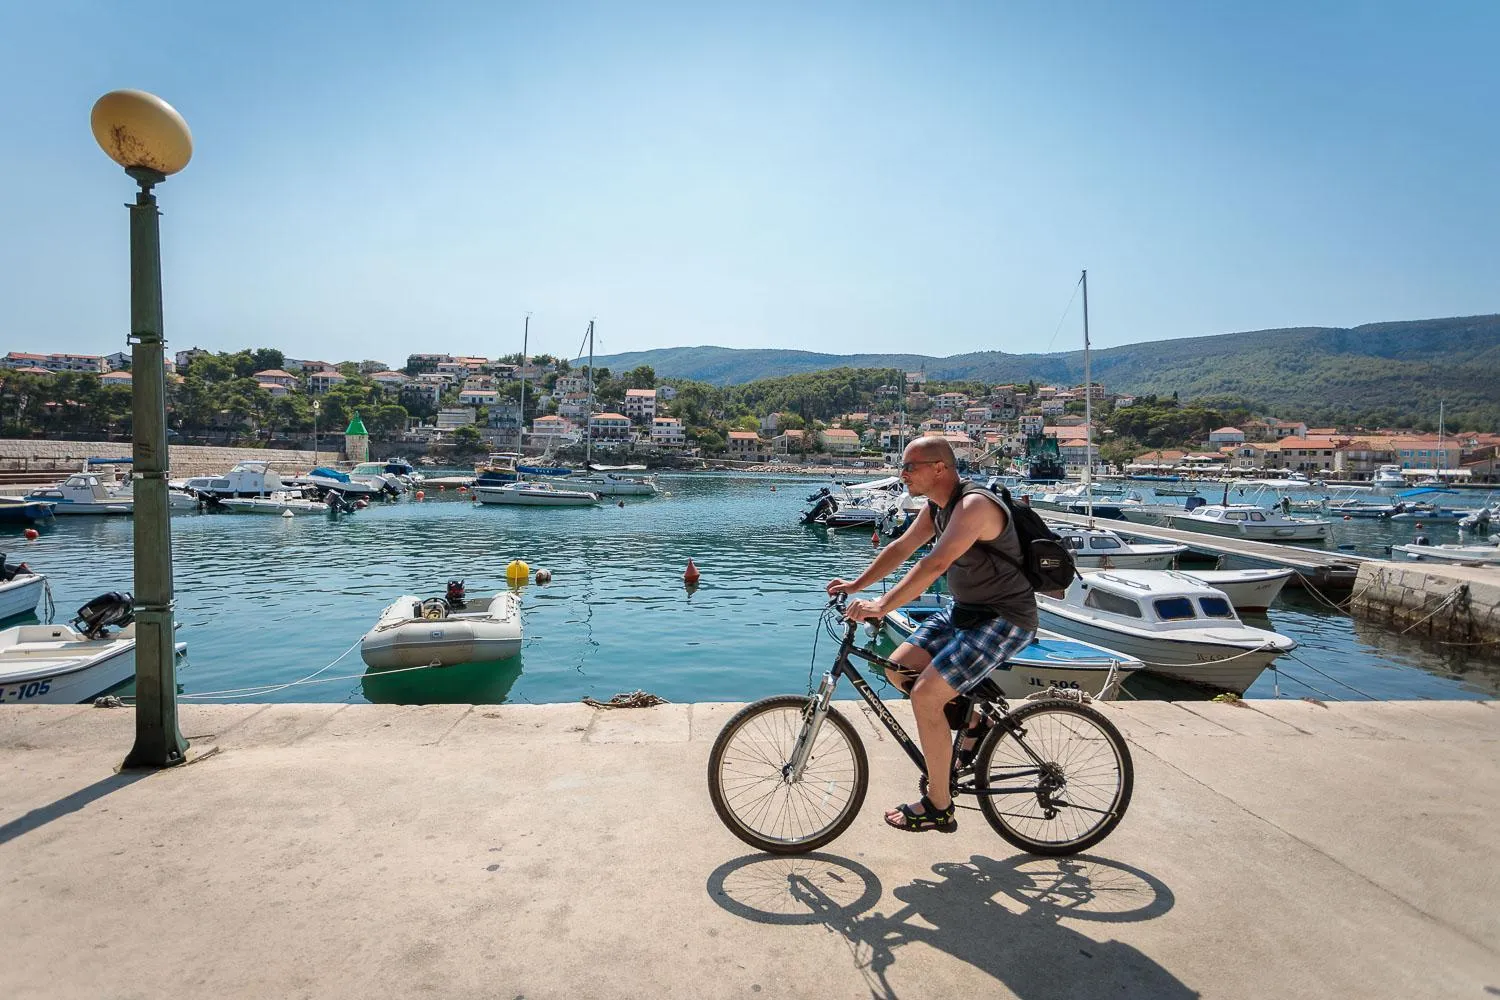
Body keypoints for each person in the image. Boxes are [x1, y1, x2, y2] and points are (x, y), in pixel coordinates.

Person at [827, 437, 1037, 833]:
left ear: (939, 467)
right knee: (898, 668)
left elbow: (936, 562)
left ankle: (939, 805)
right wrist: (856, 585)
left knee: (926, 694)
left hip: (1006, 617)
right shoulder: (937, 507)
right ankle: (975, 724)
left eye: (910, 466)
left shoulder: (974, 506)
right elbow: (903, 547)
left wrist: (881, 606)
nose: (902, 474)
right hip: (965, 611)